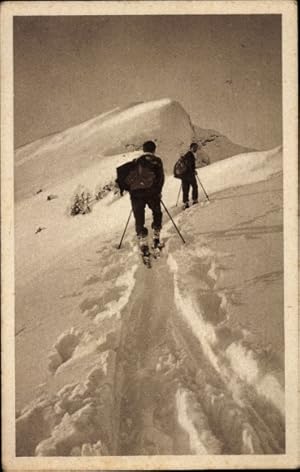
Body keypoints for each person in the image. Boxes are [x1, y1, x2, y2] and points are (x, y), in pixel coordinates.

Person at [116, 140, 164, 254]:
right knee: (157, 213)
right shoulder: (156, 161)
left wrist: (131, 190)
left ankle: (142, 240)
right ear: (154, 150)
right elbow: (160, 178)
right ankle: (156, 236)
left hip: (136, 194)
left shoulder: (136, 162)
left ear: (143, 150)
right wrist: (158, 192)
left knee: (139, 217)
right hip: (152, 193)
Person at [181, 142, 199, 209]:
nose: (196, 149)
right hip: (190, 175)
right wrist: (193, 171)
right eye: (195, 147)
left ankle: (186, 203)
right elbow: (190, 165)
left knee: (185, 189)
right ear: (191, 148)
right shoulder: (190, 155)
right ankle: (195, 200)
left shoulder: (186, 155)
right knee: (194, 186)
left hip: (184, 175)